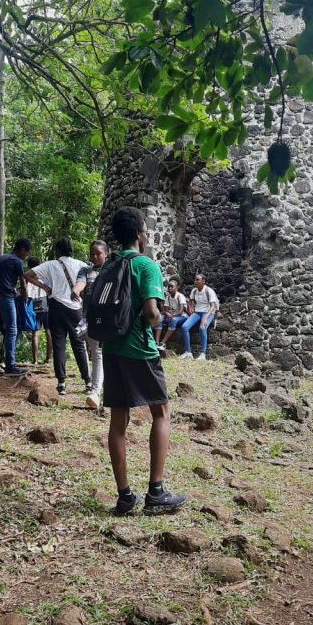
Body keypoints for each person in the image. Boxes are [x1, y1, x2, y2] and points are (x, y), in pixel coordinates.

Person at [101, 206, 186, 515]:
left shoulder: (110, 264)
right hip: (139, 349)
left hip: (111, 348)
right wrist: (157, 321)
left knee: (118, 422)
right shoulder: (145, 265)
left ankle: (125, 497)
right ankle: (156, 493)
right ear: (140, 234)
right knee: (161, 412)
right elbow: (151, 313)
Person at [24, 237, 90, 396]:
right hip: (75, 308)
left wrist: (45, 288)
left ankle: (61, 383)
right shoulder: (81, 264)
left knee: (59, 344)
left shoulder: (50, 264)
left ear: (57, 251)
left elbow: (27, 275)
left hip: (56, 307)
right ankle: (88, 381)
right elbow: (91, 277)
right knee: (79, 345)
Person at [0, 238, 31, 375]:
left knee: (9, 328)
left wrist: (3, 284)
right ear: (22, 250)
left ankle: (8, 362)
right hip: (6, 297)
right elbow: (23, 283)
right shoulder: (17, 261)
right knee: (12, 330)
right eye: (27, 253)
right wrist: (25, 300)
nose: (27, 256)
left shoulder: (2, 258)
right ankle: (10, 366)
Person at [77, 240, 108, 409]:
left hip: (109, 319)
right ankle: (96, 392)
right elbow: (80, 283)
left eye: (98, 254)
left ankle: (99, 391)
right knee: (97, 354)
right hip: (91, 319)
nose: (95, 257)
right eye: (92, 254)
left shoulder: (112, 270)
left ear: (106, 254)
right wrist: (76, 290)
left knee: (102, 355)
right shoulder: (85, 271)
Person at [181, 273, 219, 361]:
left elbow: (213, 306)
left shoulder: (209, 291)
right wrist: (192, 309)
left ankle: (202, 354)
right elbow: (191, 301)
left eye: (198, 280)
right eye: (195, 280)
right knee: (184, 327)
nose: (195, 281)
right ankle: (188, 352)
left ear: (203, 281)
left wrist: (205, 318)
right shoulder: (194, 291)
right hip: (197, 312)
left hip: (208, 312)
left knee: (202, 328)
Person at [26, 256, 52, 365]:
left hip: (33, 303)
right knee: (48, 331)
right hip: (45, 302)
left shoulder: (28, 278)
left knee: (35, 332)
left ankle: (35, 360)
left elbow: (26, 293)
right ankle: (48, 359)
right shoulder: (44, 276)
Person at [155, 277, 188, 354]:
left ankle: (163, 343)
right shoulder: (168, 297)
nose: (170, 288)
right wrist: (168, 314)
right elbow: (165, 310)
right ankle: (156, 342)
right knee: (160, 319)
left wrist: (172, 316)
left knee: (173, 320)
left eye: (172, 286)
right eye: (169, 286)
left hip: (181, 317)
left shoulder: (180, 296)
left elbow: (180, 312)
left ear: (177, 288)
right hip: (171, 315)